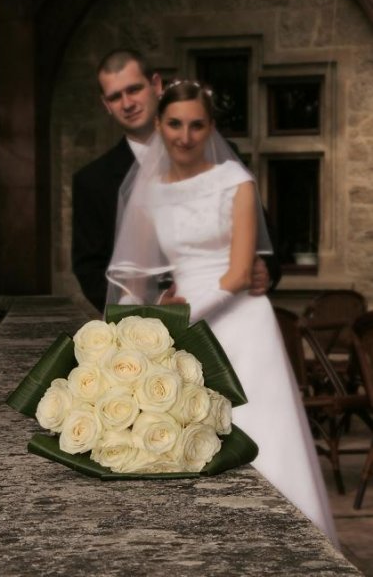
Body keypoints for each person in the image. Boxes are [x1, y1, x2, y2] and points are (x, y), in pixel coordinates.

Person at [106, 80, 339, 547]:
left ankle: (289, 547)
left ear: (211, 127)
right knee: (190, 436)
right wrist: (136, 324)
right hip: (183, 323)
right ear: (159, 124)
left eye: (197, 125)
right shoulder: (147, 194)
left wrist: (181, 315)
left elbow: (237, 274)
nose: (185, 136)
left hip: (242, 321)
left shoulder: (236, 181)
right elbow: (136, 279)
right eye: (175, 124)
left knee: (261, 432)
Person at [72, 49, 280, 313]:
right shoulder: (92, 181)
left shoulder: (221, 155)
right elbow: (90, 271)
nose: (127, 104)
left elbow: (263, 232)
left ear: (156, 85)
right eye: (115, 97)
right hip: (151, 326)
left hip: (232, 308)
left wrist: (264, 270)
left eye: (134, 89)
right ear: (106, 105)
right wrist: (150, 308)